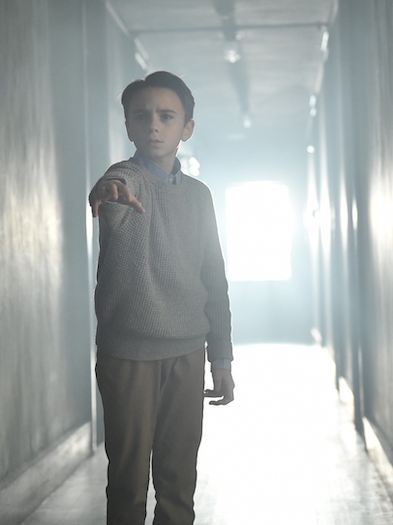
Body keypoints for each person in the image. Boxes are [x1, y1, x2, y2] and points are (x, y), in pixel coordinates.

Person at [89, 70, 235, 525]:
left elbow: (215, 280)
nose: (153, 125)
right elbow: (113, 185)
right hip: (129, 355)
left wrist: (221, 359)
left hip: (188, 352)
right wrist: (107, 190)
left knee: (178, 482)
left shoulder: (199, 196)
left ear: (186, 129)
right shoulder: (124, 180)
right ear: (129, 127)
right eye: (142, 116)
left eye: (166, 116)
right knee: (128, 484)